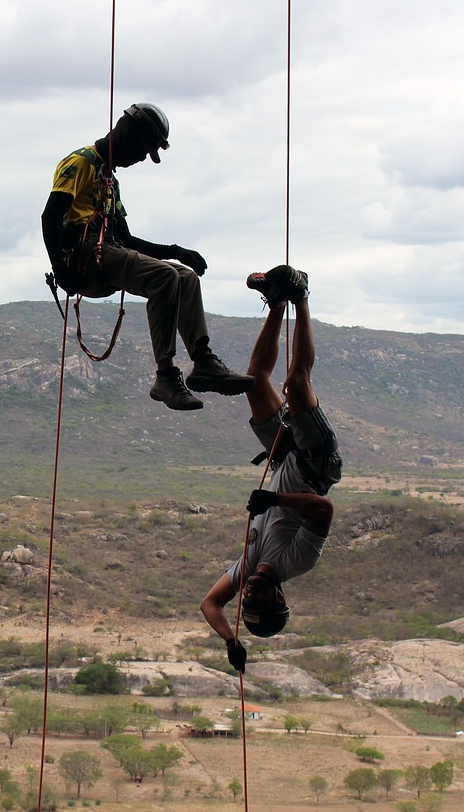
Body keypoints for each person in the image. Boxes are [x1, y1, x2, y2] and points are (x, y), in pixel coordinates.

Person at [41, 103, 252, 411]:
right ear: (129, 135)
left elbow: (126, 239)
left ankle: (204, 362)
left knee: (184, 276)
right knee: (164, 277)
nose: (141, 159)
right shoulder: (81, 163)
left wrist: (175, 252)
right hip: (85, 256)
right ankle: (165, 376)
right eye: (144, 150)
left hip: (110, 249)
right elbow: (51, 215)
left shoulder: (110, 180)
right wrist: (59, 269)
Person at [199, 265, 343, 673]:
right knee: (296, 383)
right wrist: (275, 498)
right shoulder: (297, 562)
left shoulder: (247, 568)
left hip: (282, 457)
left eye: (247, 603)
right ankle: (300, 296)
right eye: (260, 602)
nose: (250, 595)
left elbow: (210, 603)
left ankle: (276, 303)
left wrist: (230, 640)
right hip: (315, 465)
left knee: (255, 380)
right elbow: (323, 510)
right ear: (279, 598)